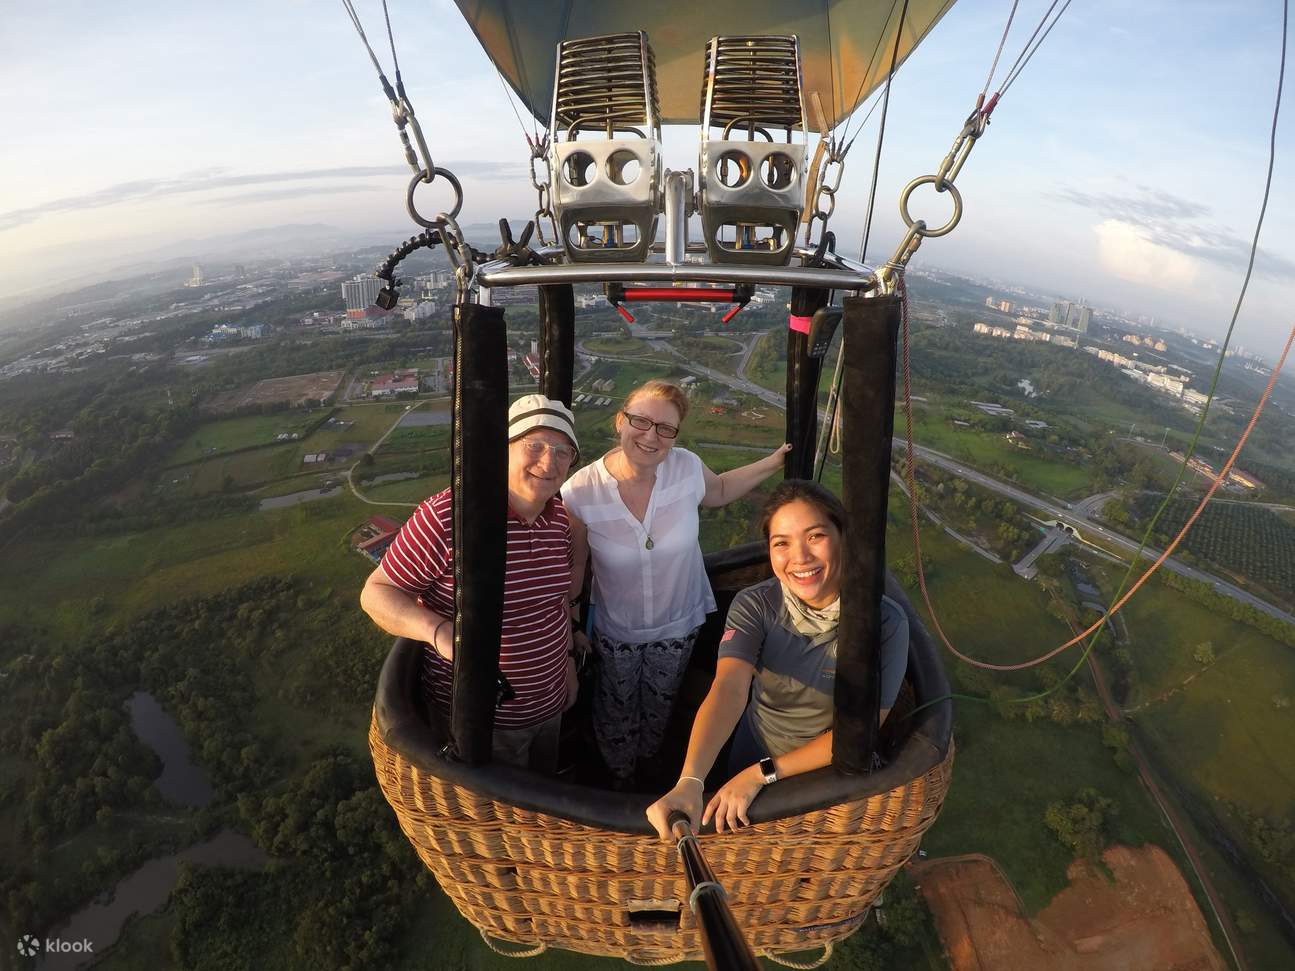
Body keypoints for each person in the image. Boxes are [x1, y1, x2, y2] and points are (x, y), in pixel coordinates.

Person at [645, 480, 909, 840]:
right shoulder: (757, 605)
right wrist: (691, 779)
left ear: (844, 537)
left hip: (827, 767)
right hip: (755, 742)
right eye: (781, 543)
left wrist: (762, 773)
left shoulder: (883, 623)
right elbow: (728, 688)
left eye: (815, 536)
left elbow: (863, 727)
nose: (800, 557)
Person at [562, 379, 789, 786]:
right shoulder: (581, 492)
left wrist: (772, 463)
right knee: (615, 709)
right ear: (620, 421)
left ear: (675, 435)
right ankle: (617, 781)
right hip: (618, 629)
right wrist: (573, 628)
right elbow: (573, 567)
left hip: (679, 624)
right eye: (641, 422)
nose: (651, 436)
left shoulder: (684, 467)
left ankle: (650, 769)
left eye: (665, 428)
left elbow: (718, 489)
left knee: (660, 707)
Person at [359, 394, 580, 774]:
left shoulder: (558, 519)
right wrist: (441, 632)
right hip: (482, 724)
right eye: (535, 445)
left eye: (563, 452)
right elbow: (377, 594)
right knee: (505, 820)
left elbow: (556, 602)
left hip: (551, 706)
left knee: (548, 795)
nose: (549, 461)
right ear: (503, 451)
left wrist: (569, 667)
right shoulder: (450, 517)